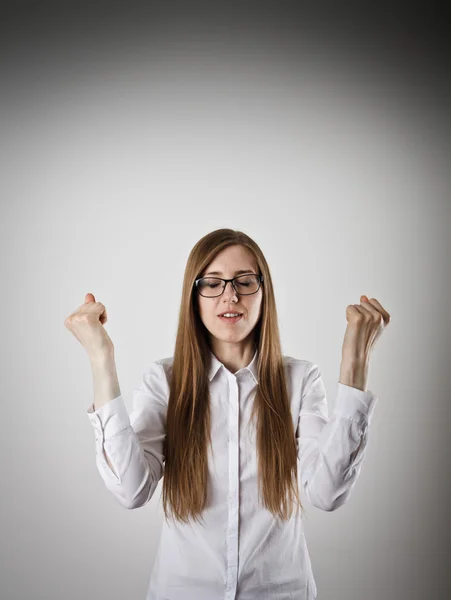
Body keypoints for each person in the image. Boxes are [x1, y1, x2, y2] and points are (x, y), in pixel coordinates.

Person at [64, 228, 389, 600]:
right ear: (194, 297)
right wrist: (100, 358)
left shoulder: (300, 380)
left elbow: (328, 493)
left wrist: (355, 364)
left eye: (244, 281)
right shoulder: (165, 381)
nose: (230, 295)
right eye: (213, 283)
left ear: (264, 293)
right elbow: (132, 489)